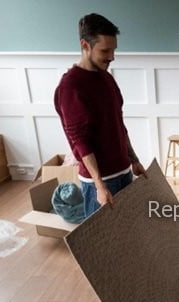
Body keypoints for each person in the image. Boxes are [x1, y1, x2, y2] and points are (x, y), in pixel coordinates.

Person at [54, 13, 147, 218]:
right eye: (105, 50)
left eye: (114, 50)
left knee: (127, 234)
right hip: (101, 182)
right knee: (104, 245)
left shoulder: (107, 78)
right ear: (85, 45)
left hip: (123, 173)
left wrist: (133, 159)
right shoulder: (71, 87)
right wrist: (99, 185)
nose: (112, 56)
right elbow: (80, 142)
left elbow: (118, 125)